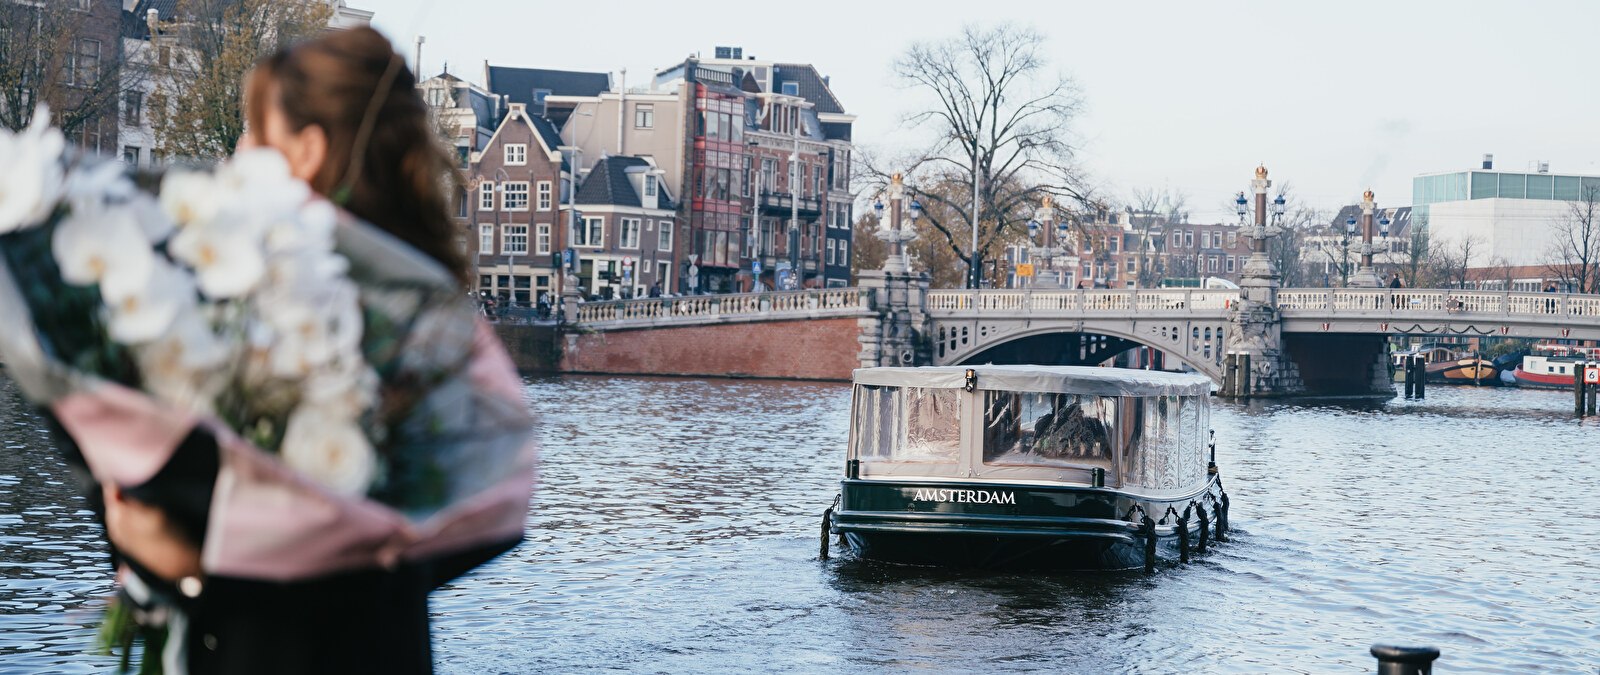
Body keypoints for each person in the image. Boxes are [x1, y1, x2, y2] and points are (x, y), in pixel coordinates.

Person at [94, 27, 527, 674]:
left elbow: (325, 560)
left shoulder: (293, 318)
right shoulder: (426, 322)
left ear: (305, 151)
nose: (236, 155)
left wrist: (192, 569)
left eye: (252, 134)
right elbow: (428, 548)